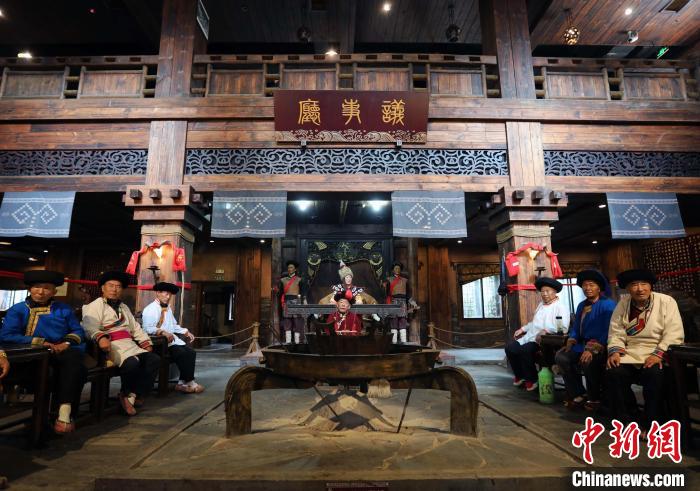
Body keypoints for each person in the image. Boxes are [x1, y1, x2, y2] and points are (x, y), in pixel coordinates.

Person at [0, 270, 86, 434]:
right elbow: (6, 335)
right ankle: (60, 413)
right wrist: (41, 342)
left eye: (46, 288)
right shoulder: (18, 310)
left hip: (60, 352)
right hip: (31, 356)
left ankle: (64, 410)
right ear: (29, 289)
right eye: (37, 287)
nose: (41, 292)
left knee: (74, 361)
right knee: (66, 371)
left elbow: (78, 331)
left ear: (54, 291)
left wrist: (66, 343)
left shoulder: (64, 309)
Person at [606, 269, 684, 434]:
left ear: (650, 286)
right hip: (630, 352)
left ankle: (651, 422)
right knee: (614, 371)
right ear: (628, 288)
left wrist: (658, 354)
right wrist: (615, 352)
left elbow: (674, 332)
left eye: (644, 284)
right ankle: (629, 418)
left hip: (658, 351)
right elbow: (616, 331)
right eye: (634, 285)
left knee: (654, 374)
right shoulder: (623, 304)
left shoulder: (666, 301)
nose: (640, 289)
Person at [81, 271, 160, 416]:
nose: (114, 289)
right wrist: (100, 338)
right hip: (111, 345)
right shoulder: (94, 305)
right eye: (110, 285)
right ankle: (126, 393)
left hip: (129, 344)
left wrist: (145, 342)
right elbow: (89, 326)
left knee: (153, 359)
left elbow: (135, 327)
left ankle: (136, 394)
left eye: (118, 286)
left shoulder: (124, 307)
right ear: (103, 288)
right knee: (132, 363)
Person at [555, 269, 616, 411]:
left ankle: (594, 397)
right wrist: (572, 338)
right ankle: (578, 393)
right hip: (581, 345)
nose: (588, 288)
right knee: (562, 357)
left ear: (599, 287)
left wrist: (593, 348)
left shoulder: (608, 305)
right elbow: (576, 327)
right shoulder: (582, 305)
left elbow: (609, 330)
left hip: (601, 344)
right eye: (585, 285)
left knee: (588, 361)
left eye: (591, 285)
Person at [505, 277, 570, 391]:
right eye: (542, 291)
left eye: (547, 291)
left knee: (525, 350)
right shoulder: (541, 305)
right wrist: (523, 329)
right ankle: (521, 376)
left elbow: (563, 327)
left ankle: (532, 379)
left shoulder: (560, 307)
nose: (544, 294)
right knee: (510, 348)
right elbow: (534, 323)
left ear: (555, 292)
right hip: (530, 336)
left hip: (545, 341)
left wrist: (547, 330)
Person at [142, 282, 204, 394]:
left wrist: (185, 331)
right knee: (182, 353)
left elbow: (173, 325)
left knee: (191, 352)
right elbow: (147, 328)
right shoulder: (150, 309)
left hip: (171, 342)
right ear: (158, 293)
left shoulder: (168, 308)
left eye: (170, 295)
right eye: (166, 294)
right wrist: (162, 332)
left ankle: (181, 383)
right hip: (158, 344)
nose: (168, 297)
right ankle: (190, 381)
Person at [279, 260, 307, 344]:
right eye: (288, 267)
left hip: (296, 302)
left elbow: (303, 292)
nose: (289, 269)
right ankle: (288, 341)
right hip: (287, 302)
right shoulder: (283, 280)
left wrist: (304, 300)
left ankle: (297, 341)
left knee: (297, 321)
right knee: (287, 321)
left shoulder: (299, 280)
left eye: (291, 267)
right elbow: (281, 293)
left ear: (295, 269)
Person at [383, 262, 411, 344]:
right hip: (393, 302)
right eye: (395, 268)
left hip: (403, 302)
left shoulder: (405, 280)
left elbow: (408, 293)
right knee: (393, 322)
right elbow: (387, 293)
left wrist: (411, 301)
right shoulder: (389, 280)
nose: (397, 270)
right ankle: (394, 342)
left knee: (403, 321)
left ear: (400, 270)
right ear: (393, 270)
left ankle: (404, 342)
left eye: (399, 268)